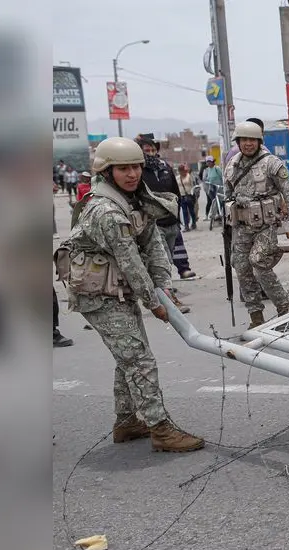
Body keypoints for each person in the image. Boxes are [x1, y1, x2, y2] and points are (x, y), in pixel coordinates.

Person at [57, 137, 205, 451]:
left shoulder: (136, 198)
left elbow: (153, 245)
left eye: (136, 166)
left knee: (130, 356)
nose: (132, 173)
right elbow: (130, 260)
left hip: (118, 289)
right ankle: (161, 430)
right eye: (123, 168)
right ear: (107, 172)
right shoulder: (105, 211)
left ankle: (126, 422)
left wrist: (163, 287)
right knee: (139, 360)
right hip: (97, 295)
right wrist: (154, 303)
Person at [224, 121, 289, 328]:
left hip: (265, 227)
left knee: (259, 262)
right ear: (238, 142)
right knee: (242, 268)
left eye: (252, 140)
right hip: (240, 228)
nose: (248, 144)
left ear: (259, 141)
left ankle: (284, 308)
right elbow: (226, 196)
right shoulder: (231, 165)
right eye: (244, 140)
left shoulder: (272, 163)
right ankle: (256, 317)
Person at [135, 134, 197, 283]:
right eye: (147, 150)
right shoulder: (138, 171)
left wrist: (176, 214)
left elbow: (175, 192)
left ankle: (182, 269)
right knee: (161, 255)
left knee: (174, 248)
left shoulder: (165, 168)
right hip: (153, 221)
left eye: (152, 150)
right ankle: (166, 286)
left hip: (171, 219)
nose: (150, 153)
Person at [175, 163, 197, 231]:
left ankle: (194, 223)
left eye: (183, 170)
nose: (183, 172)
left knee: (191, 211)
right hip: (182, 197)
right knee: (184, 212)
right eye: (181, 170)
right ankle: (186, 226)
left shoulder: (189, 176)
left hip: (189, 196)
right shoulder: (177, 178)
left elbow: (193, 186)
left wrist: (194, 194)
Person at [202, 155, 223, 220]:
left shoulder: (217, 168)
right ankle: (216, 214)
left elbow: (222, 177)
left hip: (219, 188)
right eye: (207, 162)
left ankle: (221, 214)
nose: (208, 163)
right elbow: (205, 179)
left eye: (209, 161)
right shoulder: (207, 170)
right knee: (214, 201)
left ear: (212, 162)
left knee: (220, 201)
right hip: (211, 188)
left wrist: (223, 186)